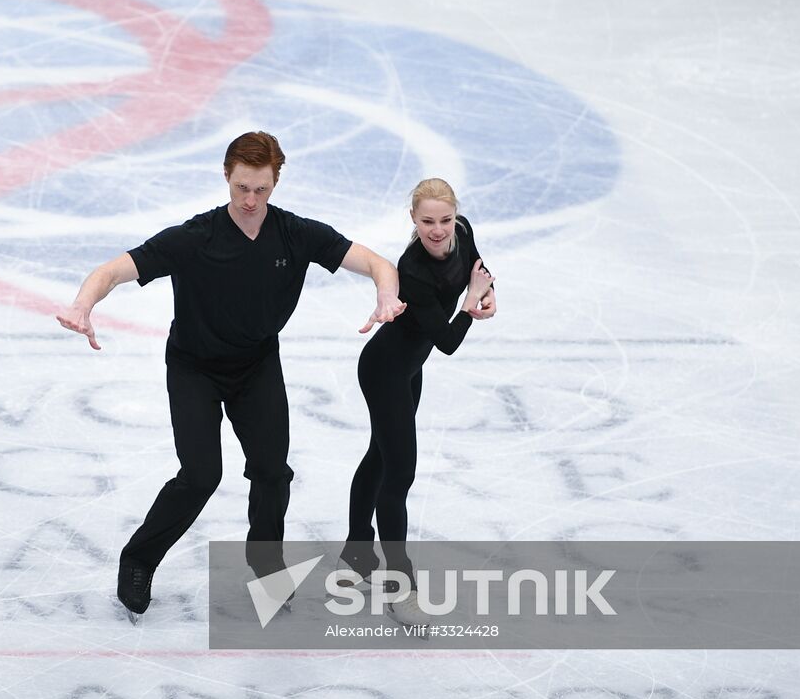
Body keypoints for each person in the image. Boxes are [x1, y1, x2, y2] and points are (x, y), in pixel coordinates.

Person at [56, 131, 406, 621]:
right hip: (194, 367)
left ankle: (266, 568)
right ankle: (138, 560)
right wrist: (82, 304)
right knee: (201, 475)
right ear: (226, 176)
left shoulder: (295, 234)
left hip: (256, 365)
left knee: (272, 472)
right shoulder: (195, 237)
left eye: (261, 189)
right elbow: (113, 270)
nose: (250, 200)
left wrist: (385, 296)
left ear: (275, 182)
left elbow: (375, 263)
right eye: (242, 187)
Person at [342, 177, 496, 626]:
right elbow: (447, 341)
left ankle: (355, 552)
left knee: (381, 456)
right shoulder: (412, 270)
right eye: (427, 221)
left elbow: (480, 270)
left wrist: (486, 295)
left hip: (409, 368)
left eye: (444, 220)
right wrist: (470, 305)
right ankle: (399, 586)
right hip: (385, 369)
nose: (438, 229)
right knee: (399, 473)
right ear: (413, 219)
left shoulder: (461, 230)